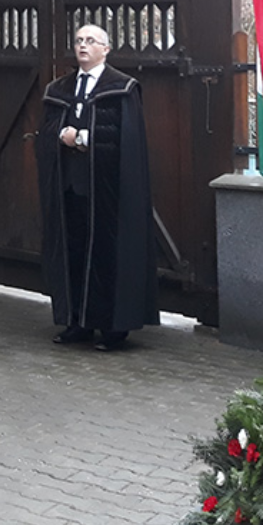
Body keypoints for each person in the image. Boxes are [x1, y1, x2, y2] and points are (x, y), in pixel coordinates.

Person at [36, 24, 158, 351]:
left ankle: (113, 328)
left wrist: (81, 138)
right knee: (73, 254)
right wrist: (58, 136)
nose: (83, 46)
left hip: (107, 191)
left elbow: (125, 139)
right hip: (70, 188)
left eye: (90, 41)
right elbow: (46, 133)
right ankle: (78, 322)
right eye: (78, 40)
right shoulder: (60, 89)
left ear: (105, 49)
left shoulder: (121, 88)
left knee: (107, 256)